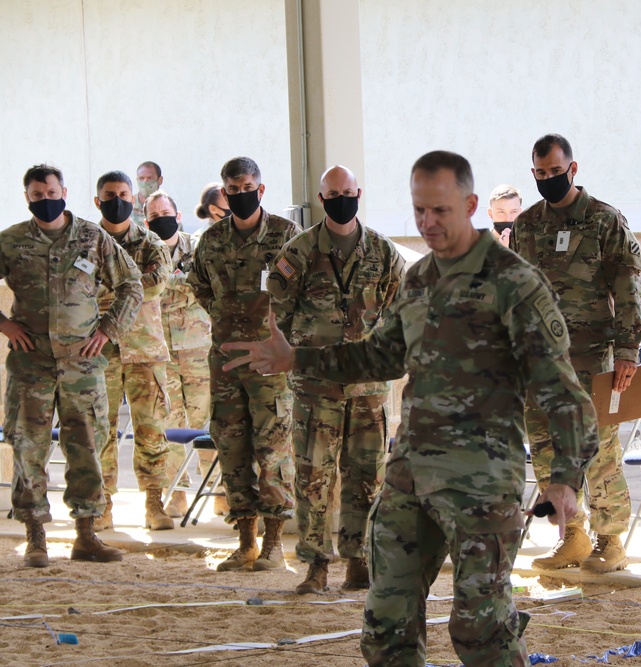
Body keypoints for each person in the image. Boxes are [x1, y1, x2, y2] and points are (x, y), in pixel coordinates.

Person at [220, 150, 598, 666]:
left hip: (480, 482)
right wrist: (296, 357)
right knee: (385, 625)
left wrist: (565, 476)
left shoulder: (515, 284)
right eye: (420, 210)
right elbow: (381, 353)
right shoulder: (419, 278)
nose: (428, 222)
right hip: (410, 475)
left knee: (480, 631)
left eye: (440, 210)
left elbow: (563, 392)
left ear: (469, 205)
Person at [510, 134, 641, 574]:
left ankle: (611, 540)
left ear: (573, 168)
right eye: (541, 173)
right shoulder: (527, 224)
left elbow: (628, 290)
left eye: (555, 171)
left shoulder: (605, 221)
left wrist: (628, 349)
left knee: (598, 448)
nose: (548, 179)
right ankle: (573, 535)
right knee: (547, 447)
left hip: (593, 357)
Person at [268, 165, 404, 593]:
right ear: (322, 197)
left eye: (348, 191)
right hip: (316, 388)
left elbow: (403, 315)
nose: (341, 198)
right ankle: (315, 565)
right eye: (333, 193)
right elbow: (277, 316)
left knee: (367, 476)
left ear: (358, 193)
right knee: (313, 477)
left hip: (368, 388)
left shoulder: (383, 253)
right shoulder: (299, 252)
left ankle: (358, 558)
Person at [0, 164, 142, 566]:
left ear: (64, 191)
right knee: (29, 447)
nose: (46, 201)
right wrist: (6, 325)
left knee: (87, 447)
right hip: (32, 365)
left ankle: (86, 535)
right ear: (26, 197)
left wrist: (109, 331)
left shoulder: (91, 237)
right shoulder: (10, 242)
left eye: (51, 193)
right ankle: (35, 537)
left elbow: (131, 284)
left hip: (83, 365)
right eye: (37, 196)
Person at [188, 156, 301, 572]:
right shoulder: (212, 239)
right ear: (224, 192)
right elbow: (199, 283)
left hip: (270, 360)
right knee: (231, 446)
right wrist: (225, 316)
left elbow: (302, 290)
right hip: (226, 360)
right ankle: (246, 541)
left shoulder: (286, 236)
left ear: (261, 188)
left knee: (272, 447)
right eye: (232, 190)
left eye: (246, 187)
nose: (240, 195)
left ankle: (274, 544)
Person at [92, 171, 175, 532]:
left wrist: (110, 286)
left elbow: (155, 287)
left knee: (152, 429)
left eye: (124, 193)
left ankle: (154, 504)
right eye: (110, 194)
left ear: (135, 199)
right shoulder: (85, 242)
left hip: (145, 350)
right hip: (99, 350)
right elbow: (77, 290)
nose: (118, 200)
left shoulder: (151, 242)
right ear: (98, 200)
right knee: (100, 430)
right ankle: (102, 504)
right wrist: (129, 287)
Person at [144, 190, 218, 517]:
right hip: (162, 353)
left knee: (206, 421)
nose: (162, 218)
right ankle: (177, 493)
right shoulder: (143, 254)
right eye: (154, 214)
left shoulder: (199, 247)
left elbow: (207, 285)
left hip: (199, 351)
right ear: (147, 222)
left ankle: (217, 489)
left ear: (178, 216)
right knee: (170, 422)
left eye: (166, 212)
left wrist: (172, 284)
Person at [133, 161, 163, 226]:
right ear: (137, 180)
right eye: (141, 178)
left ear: (160, 180)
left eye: (150, 178)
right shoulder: (127, 206)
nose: (145, 182)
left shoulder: (167, 208)